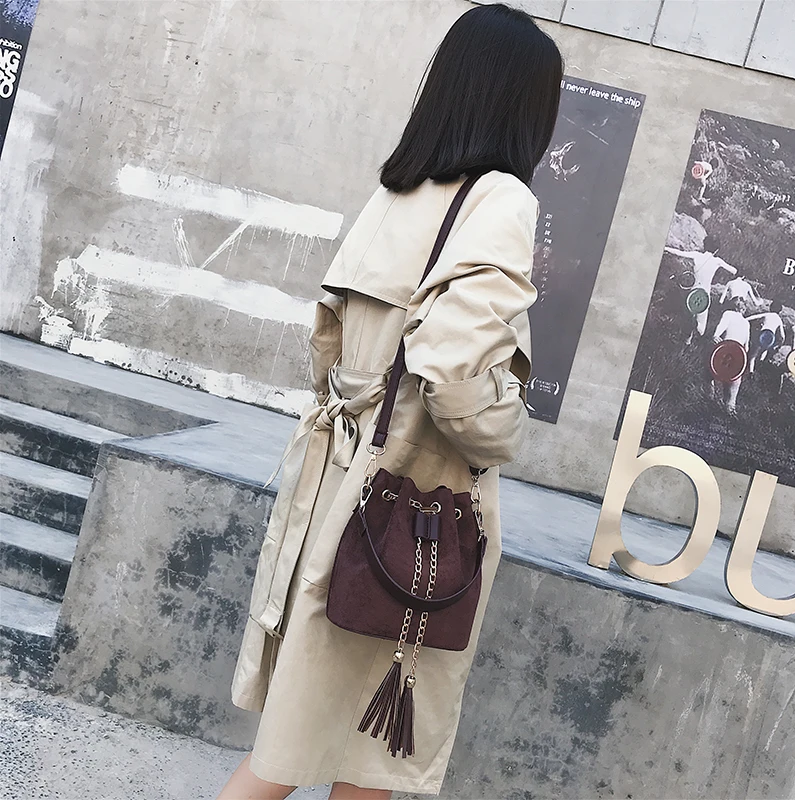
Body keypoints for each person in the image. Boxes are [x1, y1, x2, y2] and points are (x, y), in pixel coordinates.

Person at [217, 6, 563, 800]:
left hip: (339, 489)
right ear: (525, 106)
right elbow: (456, 378)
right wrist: (506, 430)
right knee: (364, 754)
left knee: (311, 748)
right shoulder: (501, 200)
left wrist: (357, 411)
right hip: (416, 512)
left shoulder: (398, 190)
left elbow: (328, 339)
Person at [664, 236, 739, 341]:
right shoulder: (717, 261)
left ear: (705, 245)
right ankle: (692, 328)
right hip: (704, 295)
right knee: (701, 329)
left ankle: (687, 337)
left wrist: (666, 248)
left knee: (688, 317)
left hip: (693, 292)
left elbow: (679, 253)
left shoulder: (697, 255)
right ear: (716, 249)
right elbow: (734, 270)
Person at [712, 300, 751, 414]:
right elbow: (746, 347)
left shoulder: (728, 314)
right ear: (744, 310)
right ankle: (729, 412)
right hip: (738, 356)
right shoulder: (746, 323)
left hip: (724, 352)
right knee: (733, 390)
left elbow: (719, 329)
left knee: (712, 377)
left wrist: (715, 336)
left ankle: (711, 404)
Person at [746, 306, 786, 374]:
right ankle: (760, 365)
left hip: (762, 334)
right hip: (770, 337)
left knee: (754, 354)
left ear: (770, 308)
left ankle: (751, 371)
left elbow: (755, 317)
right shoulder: (779, 320)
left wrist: (745, 319)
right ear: (780, 311)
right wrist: (779, 344)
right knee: (765, 350)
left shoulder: (768, 314)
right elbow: (782, 336)